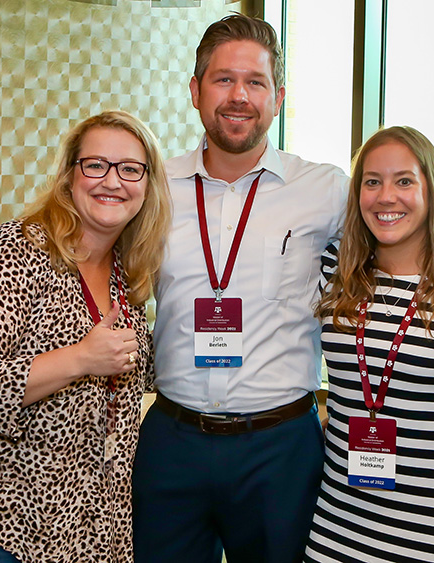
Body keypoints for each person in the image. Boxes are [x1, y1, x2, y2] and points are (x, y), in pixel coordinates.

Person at [132, 13, 349, 563]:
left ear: (277, 96)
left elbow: (416, 231)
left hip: (279, 446)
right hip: (172, 440)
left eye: (255, 82)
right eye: (223, 79)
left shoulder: (324, 190)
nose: (239, 96)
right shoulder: (152, 185)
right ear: (195, 90)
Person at [0, 110, 171, 563]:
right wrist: (81, 358)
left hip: (90, 533)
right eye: (95, 165)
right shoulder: (15, 250)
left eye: (130, 169)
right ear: (68, 176)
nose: (112, 181)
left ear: (148, 184)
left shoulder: (127, 272)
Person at [304, 126, 434, 562]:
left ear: (433, 189)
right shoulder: (335, 271)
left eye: (404, 180)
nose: (386, 196)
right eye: (373, 182)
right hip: (340, 521)